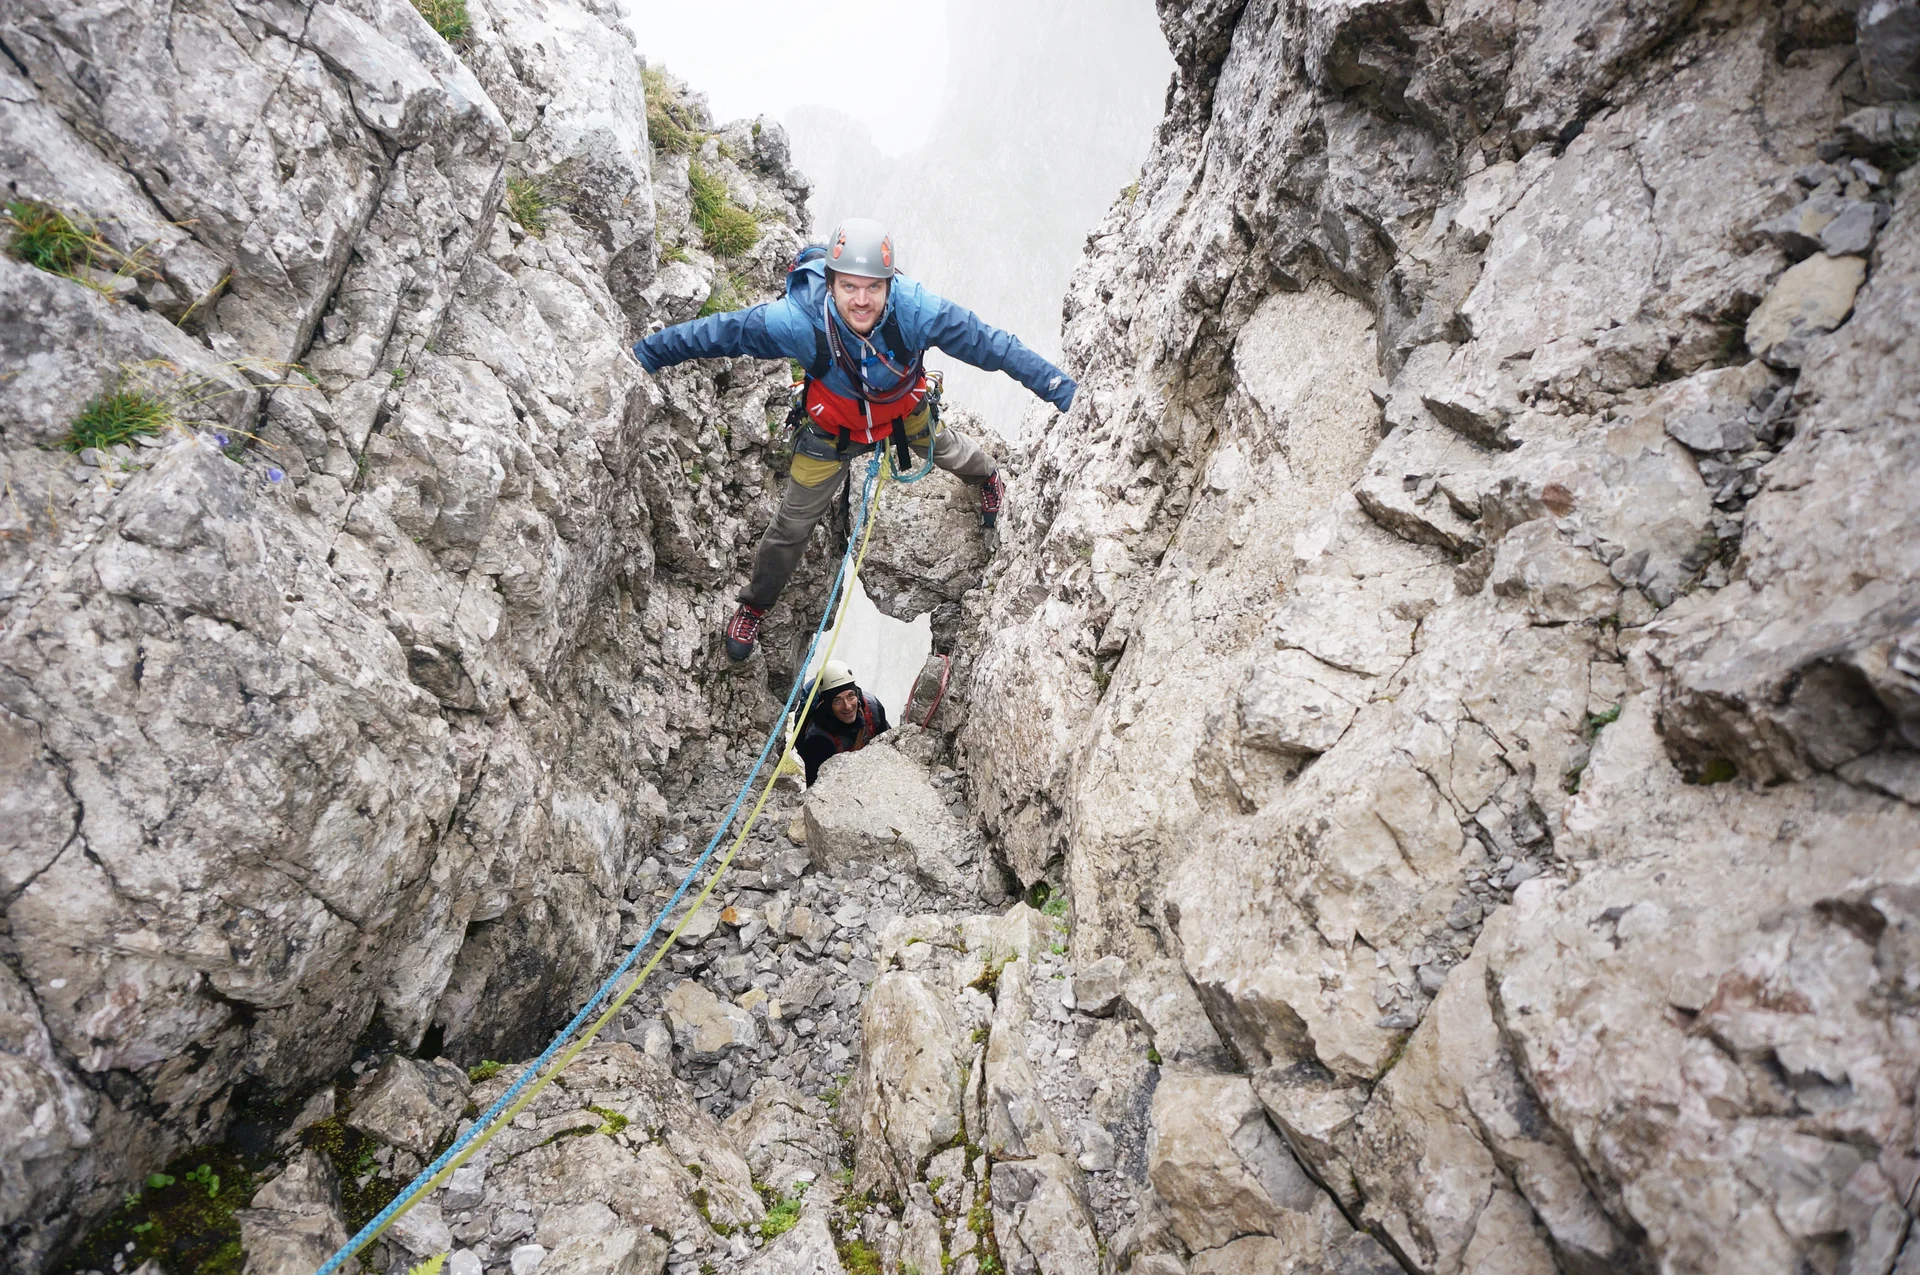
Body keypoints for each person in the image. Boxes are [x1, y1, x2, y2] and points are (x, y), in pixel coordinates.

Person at [631, 218, 1077, 660]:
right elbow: (716, 334)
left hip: (902, 415)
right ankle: (755, 605)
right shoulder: (799, 322)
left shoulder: (915, 311)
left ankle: (988, 479)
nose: (862, 301)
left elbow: (992, 345)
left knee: (949, 449)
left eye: (873, 288)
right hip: (832, 433)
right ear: (830, 283)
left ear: (889, 284)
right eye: (849, 287)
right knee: (791, 527)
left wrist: (1059, 389)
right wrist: (646, 355)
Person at [796, 660, 889, 786]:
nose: (848, 706)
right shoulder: (818, 740)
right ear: (828, 704)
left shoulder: (873, 709)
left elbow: (889, 749)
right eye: (837, 701)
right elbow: (815, 789)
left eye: (851, 696)